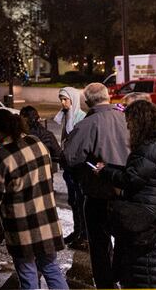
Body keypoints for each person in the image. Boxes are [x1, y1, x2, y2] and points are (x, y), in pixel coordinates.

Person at [94, 100, 156, 288]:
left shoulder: (151, 147)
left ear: (140, 121)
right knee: (152, 270)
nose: (128, 127)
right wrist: (109, 167)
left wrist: (105, 172)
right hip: (155, 217)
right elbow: (138, 173)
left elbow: (131, 179)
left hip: (144, 220)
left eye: (130, 122)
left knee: (146, 273)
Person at [0, 109, 68, 290]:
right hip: (47, 220)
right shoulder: (37, 143)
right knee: (51, 268)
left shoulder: (1, 157)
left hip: (21, 226)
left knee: (27, 274)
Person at [63, 82, 130, 289]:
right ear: (107, 96)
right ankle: (124, 278)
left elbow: (69, 157)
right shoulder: (127, 118)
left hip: (98, 194)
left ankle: (106, 284)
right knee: (125, 242)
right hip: (127, 193)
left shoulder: (87, 124)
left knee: (100, 247)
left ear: (87, 101)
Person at [54, 86, 87, 248]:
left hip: (78, 166)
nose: (63, 102)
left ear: (73, 99)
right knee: (73, 200)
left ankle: (83, 234)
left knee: (80, 200)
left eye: (65, 99)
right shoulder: (67, 115)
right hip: (69, 165)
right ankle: (77, 230)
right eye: (61, 99)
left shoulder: (80, 117)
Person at [19, 105, 62, 174]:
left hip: (29, 175)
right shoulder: (48, 135)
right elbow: (58, 155)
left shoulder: (21, 137)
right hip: (46, 174)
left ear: (24, 119)